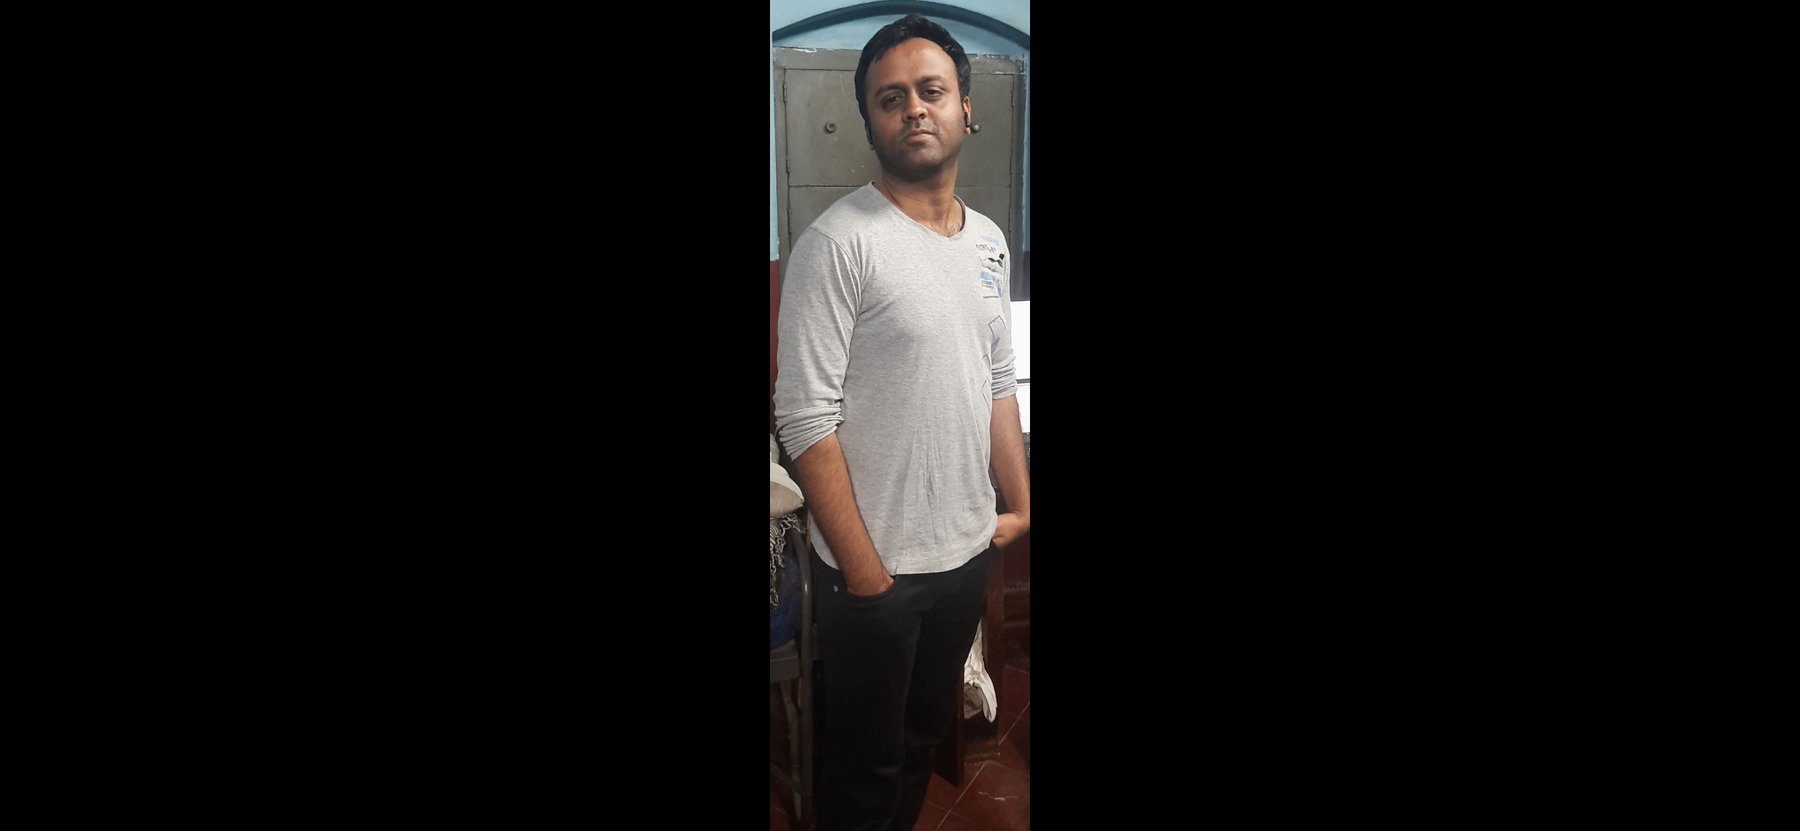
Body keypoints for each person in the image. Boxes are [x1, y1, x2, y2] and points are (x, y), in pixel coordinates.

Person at [773, 13, 1030, 831]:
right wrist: (866, 575)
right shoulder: (837, 244)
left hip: (964, 553)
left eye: (930, 90)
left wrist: (1020, 505)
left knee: (920, 740)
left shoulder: (989, 242)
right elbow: (803, 416)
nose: (913, 108)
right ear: (871, 122)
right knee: (864, 766)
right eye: (890, 98)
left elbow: (996, 381)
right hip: (874, 571)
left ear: (965, 109)